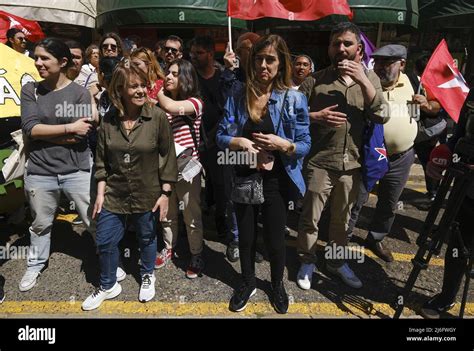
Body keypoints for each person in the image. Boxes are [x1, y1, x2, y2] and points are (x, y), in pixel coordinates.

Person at [217, 34, 311, 314]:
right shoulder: (237, 95)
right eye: (258, 59)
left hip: (276, 182)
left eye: (270, 59)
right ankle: (247, 282)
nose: (263, 65)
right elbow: (221, 135)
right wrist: (239, 142)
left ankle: (277, 284)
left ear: (281, 63)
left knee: (274, 240)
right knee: (245, 238)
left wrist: (284, 144)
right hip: (244, 178)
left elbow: (305, 143)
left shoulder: (294, 99)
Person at [296, 22, 388, 290]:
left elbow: (383, 114)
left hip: (353, 165)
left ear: (359, 50)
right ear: (329, 49)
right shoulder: (315, 80)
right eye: (336, 44)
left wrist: (362, 80)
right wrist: (315, 116)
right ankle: (307, 260)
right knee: (310, 218)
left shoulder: (370, 80)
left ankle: (335, 263)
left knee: (341, 221)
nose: (341, 49)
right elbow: (291, 116)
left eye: (347, 44)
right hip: (319, 162)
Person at [81, 61, 177, 310]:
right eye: (133, 86)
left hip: (148, 191)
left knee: (146, 237)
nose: (141, 91)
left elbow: (168, 157)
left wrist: (165, 193)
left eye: (143, 85)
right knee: (105, 239)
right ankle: (108, 285)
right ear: (119, 90)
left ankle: (147, 275)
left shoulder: (156, 117)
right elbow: (101, 160)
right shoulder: (109, 121)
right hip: (114, 192)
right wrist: (100, 193)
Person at [20, 38, 94, 292]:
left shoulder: (80, 92)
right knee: (40, 223)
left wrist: (46, 132)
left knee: (92, 218)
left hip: (77, 169)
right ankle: (35, 264)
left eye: (44, 58)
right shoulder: (30, 90)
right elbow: (30, 128)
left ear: (63, 62)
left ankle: (108, 259)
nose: (37, 63)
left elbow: (81, 135)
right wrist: (68, 127)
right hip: (40, 171)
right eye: (36, 57)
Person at [346, 45, 418, 262]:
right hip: (368, 154)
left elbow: (413, 115)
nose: (380, 67)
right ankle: (343, 237)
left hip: (401, 157)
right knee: (356, 198)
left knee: (389, 202)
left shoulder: (411, 82)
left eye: (387, 63)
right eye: (377, 62)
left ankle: (376, 237)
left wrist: (422, 106)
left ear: (402, 64)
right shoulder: (367, 81)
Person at [420, 89, 474, 319]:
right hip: (466, 187)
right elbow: (459, 136)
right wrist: (441, 156)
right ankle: (446, 296)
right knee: (457, 244)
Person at [156, 59, 205, 279]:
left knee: (191, 215)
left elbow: (171, 107)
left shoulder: (194, 103)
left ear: (186, 78)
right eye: (167, 73)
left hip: (187, 167)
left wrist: (155, 90)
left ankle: (196, 254)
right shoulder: (160, 105)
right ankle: (169, 247)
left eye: (174, 74)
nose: (168, 77)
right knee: (168, 213)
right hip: (165, 166)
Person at [408, 53, 443, 203]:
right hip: (419, 130)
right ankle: (433, 193)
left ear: (415, 68)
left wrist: (425, 106)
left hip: (424, 132)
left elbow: (436, 107)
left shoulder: (429, 84)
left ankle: (434, 193)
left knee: (427, 162)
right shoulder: (411, 81)